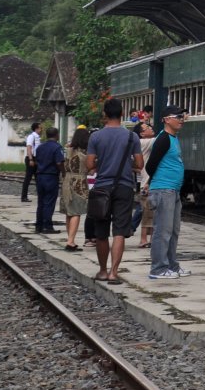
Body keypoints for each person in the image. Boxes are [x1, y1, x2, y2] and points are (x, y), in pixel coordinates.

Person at [86, 99, 144, 285]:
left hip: (102, 187)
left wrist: (101, 164)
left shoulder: (95, 137)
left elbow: (89, 165)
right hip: (124, 187)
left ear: (105, 114)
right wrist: (128, 165)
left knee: (101, 232)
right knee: (119, 231)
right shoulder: (131, 137)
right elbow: (140, 164)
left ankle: (102, 270)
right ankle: (113, 273)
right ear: (122, 114)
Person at [146, 106, 188, 280]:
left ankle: (171, 265)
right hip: (163, 189)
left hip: (173, 189)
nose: (181, 119)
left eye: (182, 116)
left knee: (173, 231)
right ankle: (158, 269)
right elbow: (150, 165)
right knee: (162, 231)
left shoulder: (174, 138)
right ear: (166, 119)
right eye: (177, 116)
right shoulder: (163, 139)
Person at [60, 126, 91, 251]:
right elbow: (90, 167)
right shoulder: (85, 153)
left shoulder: (67, 150)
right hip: (79, 181)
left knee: (69, 212)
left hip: (66, 181)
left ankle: (70, 238)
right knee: (76, 212)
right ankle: (71, 241)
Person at [33, 127, 64, 234]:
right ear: (57, 135)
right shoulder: (57, 147)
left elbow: (37, 160)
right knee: (49, 202)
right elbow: (59, 162)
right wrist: (63, 172)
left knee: (41, 202)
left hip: (40, 176)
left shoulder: (40, 147)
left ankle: (39, 225)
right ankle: (47, 226)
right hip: (51, 176)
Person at [133, 121, 157, 248]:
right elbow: (161, 139)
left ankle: (151, 239)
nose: (151, 128)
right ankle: (143, 239)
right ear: (142, 134)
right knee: (147, 214)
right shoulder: (144, 142)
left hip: (147, 181)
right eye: (147, 127)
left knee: (150, 213)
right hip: (147, 183)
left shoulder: (140, 143)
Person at [21, 121, 41, 202]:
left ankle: (40, 196)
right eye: (40, 128)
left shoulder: (38, 137)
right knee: (28, 178)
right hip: (31, 158)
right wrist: (31, 159)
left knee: (38, 178)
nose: (41, 130)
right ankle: (24, 197)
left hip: (36, 159)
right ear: (36, 129)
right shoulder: (31, 136)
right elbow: (29, 148)